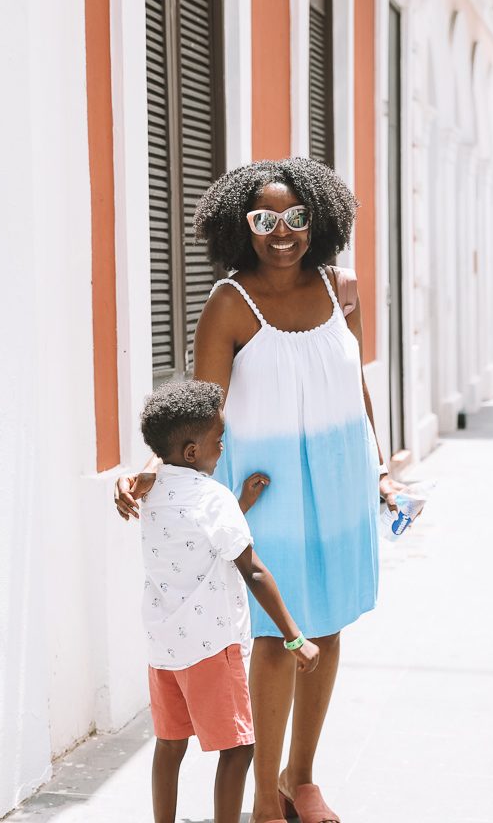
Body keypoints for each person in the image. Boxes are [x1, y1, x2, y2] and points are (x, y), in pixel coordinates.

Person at [117, 158, 411, 823]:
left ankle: (298, 780)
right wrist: (158, 471)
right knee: (279, 638)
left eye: (297, 217)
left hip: (338, 481)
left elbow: (354, 382)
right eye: (264, 219)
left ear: (319, 219)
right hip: (268, 490)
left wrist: (379, 469)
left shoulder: (344, 288)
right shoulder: (229, 302)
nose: (283, 232)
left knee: (327, 629)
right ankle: (262, 806)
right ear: (241, 226)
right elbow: (201, 410)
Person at [137, 379, 320, 823]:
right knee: (240, 748)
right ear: (192, 452)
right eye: (217, 440)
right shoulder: (211, 499)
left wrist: (240, 505)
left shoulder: (152, 492)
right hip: (212, 648)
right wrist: (295, 638)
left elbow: (197, 539)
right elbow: (253, 570)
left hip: (164, 649)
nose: (223, 446)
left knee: (170, 745)